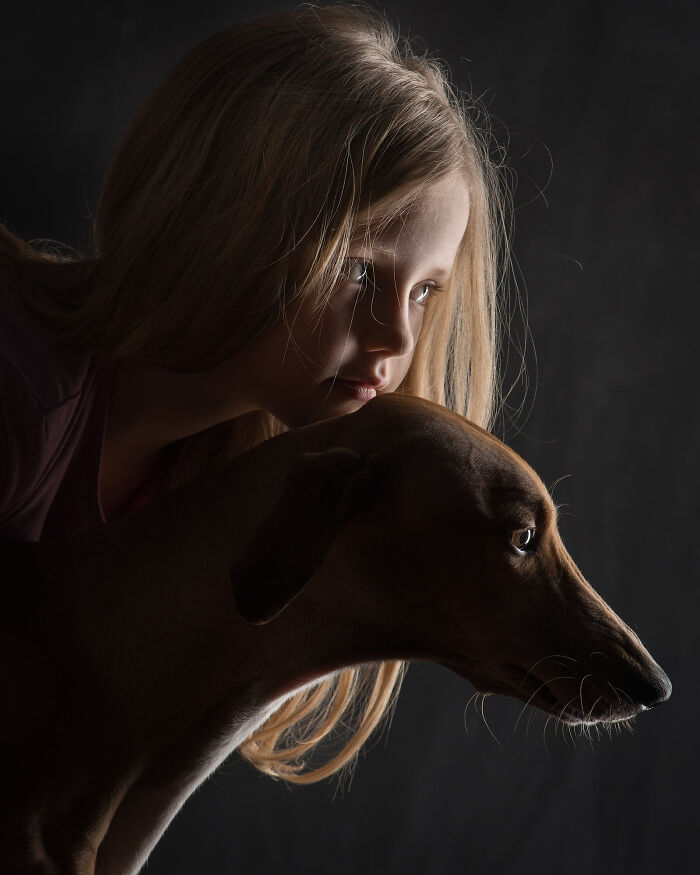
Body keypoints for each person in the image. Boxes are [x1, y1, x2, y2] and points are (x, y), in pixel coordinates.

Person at [0, 4, 508, 783]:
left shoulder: (214, 495)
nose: (396, 339)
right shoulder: (22, 400)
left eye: (424, 291)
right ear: (225, 225)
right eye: (360, 269)